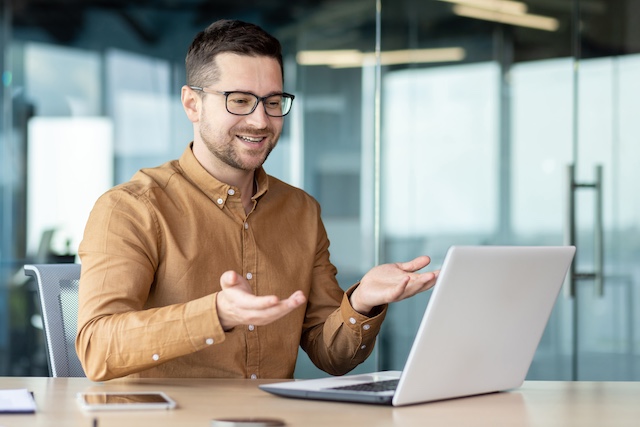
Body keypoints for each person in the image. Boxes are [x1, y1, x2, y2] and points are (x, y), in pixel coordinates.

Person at [75, 19, 438, 382]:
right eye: (240, 100)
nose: (260, 120)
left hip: (273, 418)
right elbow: (96, 348)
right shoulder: (131, 207)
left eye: (273, 101)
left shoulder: (301, 211)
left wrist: (361, 302)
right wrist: (217, 314)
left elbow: (331, 356)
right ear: (192, 104)